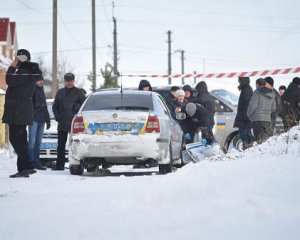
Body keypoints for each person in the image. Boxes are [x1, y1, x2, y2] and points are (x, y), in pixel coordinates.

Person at [2, 49, 41, 178]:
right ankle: (23, 168)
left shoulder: (24, 72)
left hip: (18, 111)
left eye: (17, 58)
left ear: (21, 59)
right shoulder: (28, 72)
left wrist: (11, 68)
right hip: (21, 110)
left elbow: (9, 81)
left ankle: (28, 165)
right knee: (21, 139)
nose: (15, 61)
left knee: (14, 138)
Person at [52, 73, 86, 170]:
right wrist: (57, 116)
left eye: (71, 81)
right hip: (62, 122)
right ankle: (59, 165)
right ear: (65, 81)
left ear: (73, 81)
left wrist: (78, 109)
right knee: (61, 145)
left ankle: (76, 165)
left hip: (74, 123)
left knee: (76, 144)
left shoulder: (79, 92)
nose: (69, 83)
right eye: (68, 81)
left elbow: (84, 107)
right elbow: (55, 106)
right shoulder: (60, 92)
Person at [28, 74, 51, 170]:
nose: (41, 82)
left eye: (42, 80)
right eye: (39, 80)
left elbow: (45, 106)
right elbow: (29, 104)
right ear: (35, 81)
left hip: (42, 120)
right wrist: (35, 111)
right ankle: (30, 162)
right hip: (33, 120)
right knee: (32, 142)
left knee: (38, 142)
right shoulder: (32, 90)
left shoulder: (42, 91)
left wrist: (48, 120)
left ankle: (37, 162)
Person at [247, 78, 276, 144]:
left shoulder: (257, 93)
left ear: (257, 84)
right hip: (268, 120)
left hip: (257, 119)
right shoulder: (272, 93)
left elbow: (252, 105)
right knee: (266, 141)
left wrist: (248, 114)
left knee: (258, 140)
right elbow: (273, 108)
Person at [233, 77, 254, 150]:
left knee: (244, 134)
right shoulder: (246, 89)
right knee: (245, 134)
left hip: (244, 118)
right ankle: (248, 149)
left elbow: (247, 104)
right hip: (244, 117)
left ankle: (248, 149)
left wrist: (246, 117)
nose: (239, 82)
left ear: (243, 81)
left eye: (239, 81)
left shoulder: (246, 90)